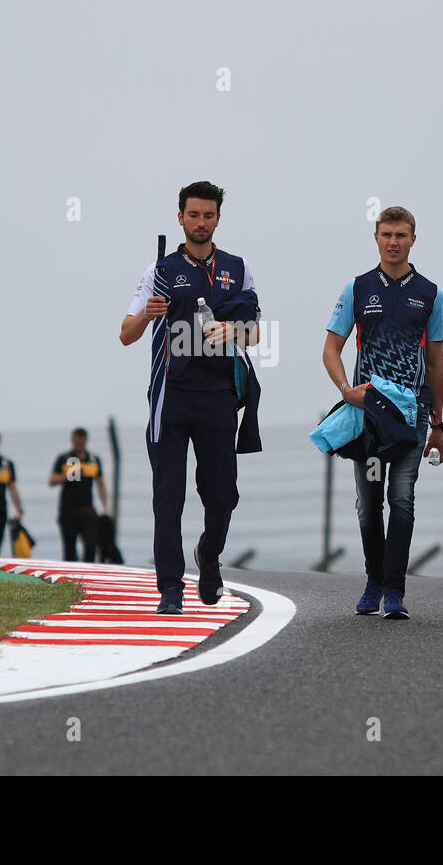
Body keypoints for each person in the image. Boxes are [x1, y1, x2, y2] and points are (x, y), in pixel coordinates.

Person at [119, 180, 262, 613]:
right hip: (171, 395)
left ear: (218, 218)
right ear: (179, 217)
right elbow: (125, 335)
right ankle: (170, 589)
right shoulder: (159, 270)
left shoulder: (237, 268)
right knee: (169, 494)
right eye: (193, 215)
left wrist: (231, 330)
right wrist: (149, 312)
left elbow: (255, 331)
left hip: (218, 394)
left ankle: (210, 556)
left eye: (209, 215)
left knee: (222, 495)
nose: (201, 222)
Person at [322, 206, 443, 620]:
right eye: (386, 234)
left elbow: (435, 362)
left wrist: (438, 424)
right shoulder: (356, 289)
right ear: (376, 238)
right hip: (369, 416)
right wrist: (346, 391)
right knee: (368, 502)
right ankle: (373, 580)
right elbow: (330, 349)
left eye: (402, 235)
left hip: (412, 416)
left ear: (414, 239)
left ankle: (395, 590)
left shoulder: (431, 293)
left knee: (403, 498)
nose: (393, 241)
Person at [49, 427, 110, 562]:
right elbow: (52, 480)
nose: (79, 444)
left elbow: (100, 483)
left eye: (81, 441)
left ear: (86, 440)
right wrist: (66, 475)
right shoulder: (64, 458)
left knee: (91, 545)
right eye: (77, 441)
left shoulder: (93, 459)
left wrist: (105, 506)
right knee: (69, 550)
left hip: (87, 510)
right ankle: (70, 580)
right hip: (68, 510)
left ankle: (88, 575)